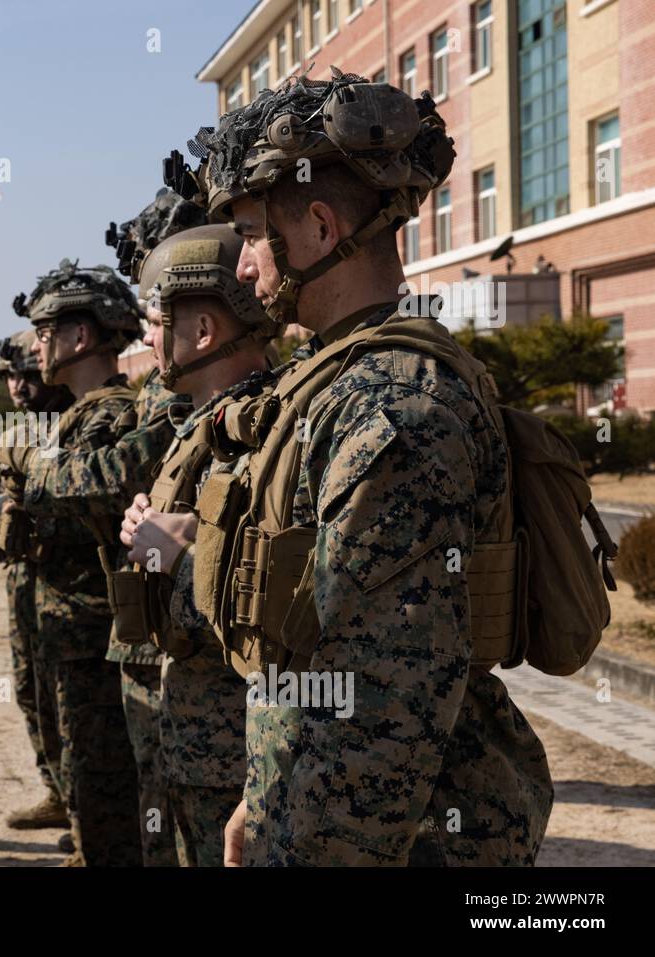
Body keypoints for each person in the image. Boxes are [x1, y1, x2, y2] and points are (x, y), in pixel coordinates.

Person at [185, 70, 552, 865]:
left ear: (319, 227)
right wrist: (264, 792)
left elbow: (381, 702)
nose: (244, 268)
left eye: (250, 235)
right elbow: (315, 648)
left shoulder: (394, 413)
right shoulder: (337, 382)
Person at [118, 224, 278, 865]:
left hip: (236, 755)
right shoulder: (205, 428)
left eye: (158, 320)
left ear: (204, 332)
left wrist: (171, 552)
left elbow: (264, 606)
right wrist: (148, 537)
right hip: (200, 741)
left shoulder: (264, 432)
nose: (149, 337)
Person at [0, 260, 144, 866]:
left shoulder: (111, 417)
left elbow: (69, 504)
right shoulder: (77, 418)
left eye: (47, 330)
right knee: (83, 765)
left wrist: (28, 477)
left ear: (82, 337)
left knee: (103, 772)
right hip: (69, 628)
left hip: (95, 631)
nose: (37, 345)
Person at [0, 331, 74, 838]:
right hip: (22, 579)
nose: (17, 386)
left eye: (25, 373)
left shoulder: (75, 422)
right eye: (8, 377)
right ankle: (57, 791)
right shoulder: (16, 430)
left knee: (65, 699)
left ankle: (78, 799)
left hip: (62, 585)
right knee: (28, 690)